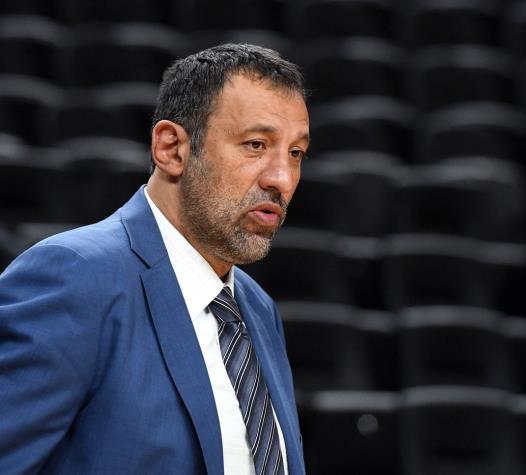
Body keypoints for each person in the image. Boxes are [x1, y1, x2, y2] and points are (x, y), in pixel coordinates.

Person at [0, 43, 310, 475]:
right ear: (171, 149)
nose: (283, 179)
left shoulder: (258, 309)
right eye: (256, 145)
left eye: (295, 154)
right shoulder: (75, 277)